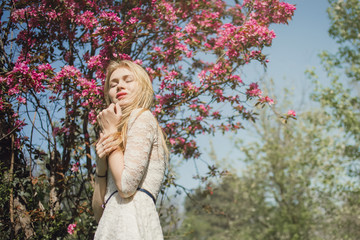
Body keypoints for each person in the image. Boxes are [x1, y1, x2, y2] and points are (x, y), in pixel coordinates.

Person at [92, 60, 168, 240]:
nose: (120, 86)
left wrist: (111, 133)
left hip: (132, 222)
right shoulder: (116, 135)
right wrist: (101, 166)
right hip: (110, 227)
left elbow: (126, 187)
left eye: (128, 80)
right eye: (113, 84)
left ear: (142, 86)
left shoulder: (142, 117)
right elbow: (98, 213)